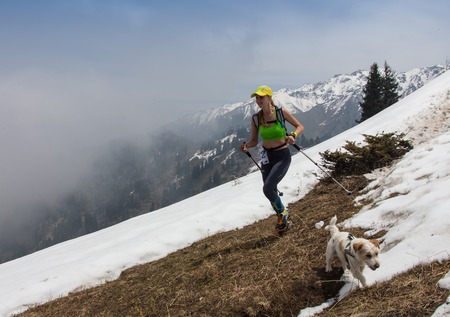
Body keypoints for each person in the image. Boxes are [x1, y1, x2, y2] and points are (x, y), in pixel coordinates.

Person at [240, 85, 304, 234]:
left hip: (282, 156)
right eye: (256, 98)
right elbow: (255, 141)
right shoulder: (256, 118)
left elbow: (300, 126)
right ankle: (283, 219)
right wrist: (246, 146)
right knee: (270, 190)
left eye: (261, 97)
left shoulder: (281, 113)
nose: (258, 100)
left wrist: (293, 136)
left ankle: (283, 214)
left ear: (269, 97)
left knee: (267, 188)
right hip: (267, 158)